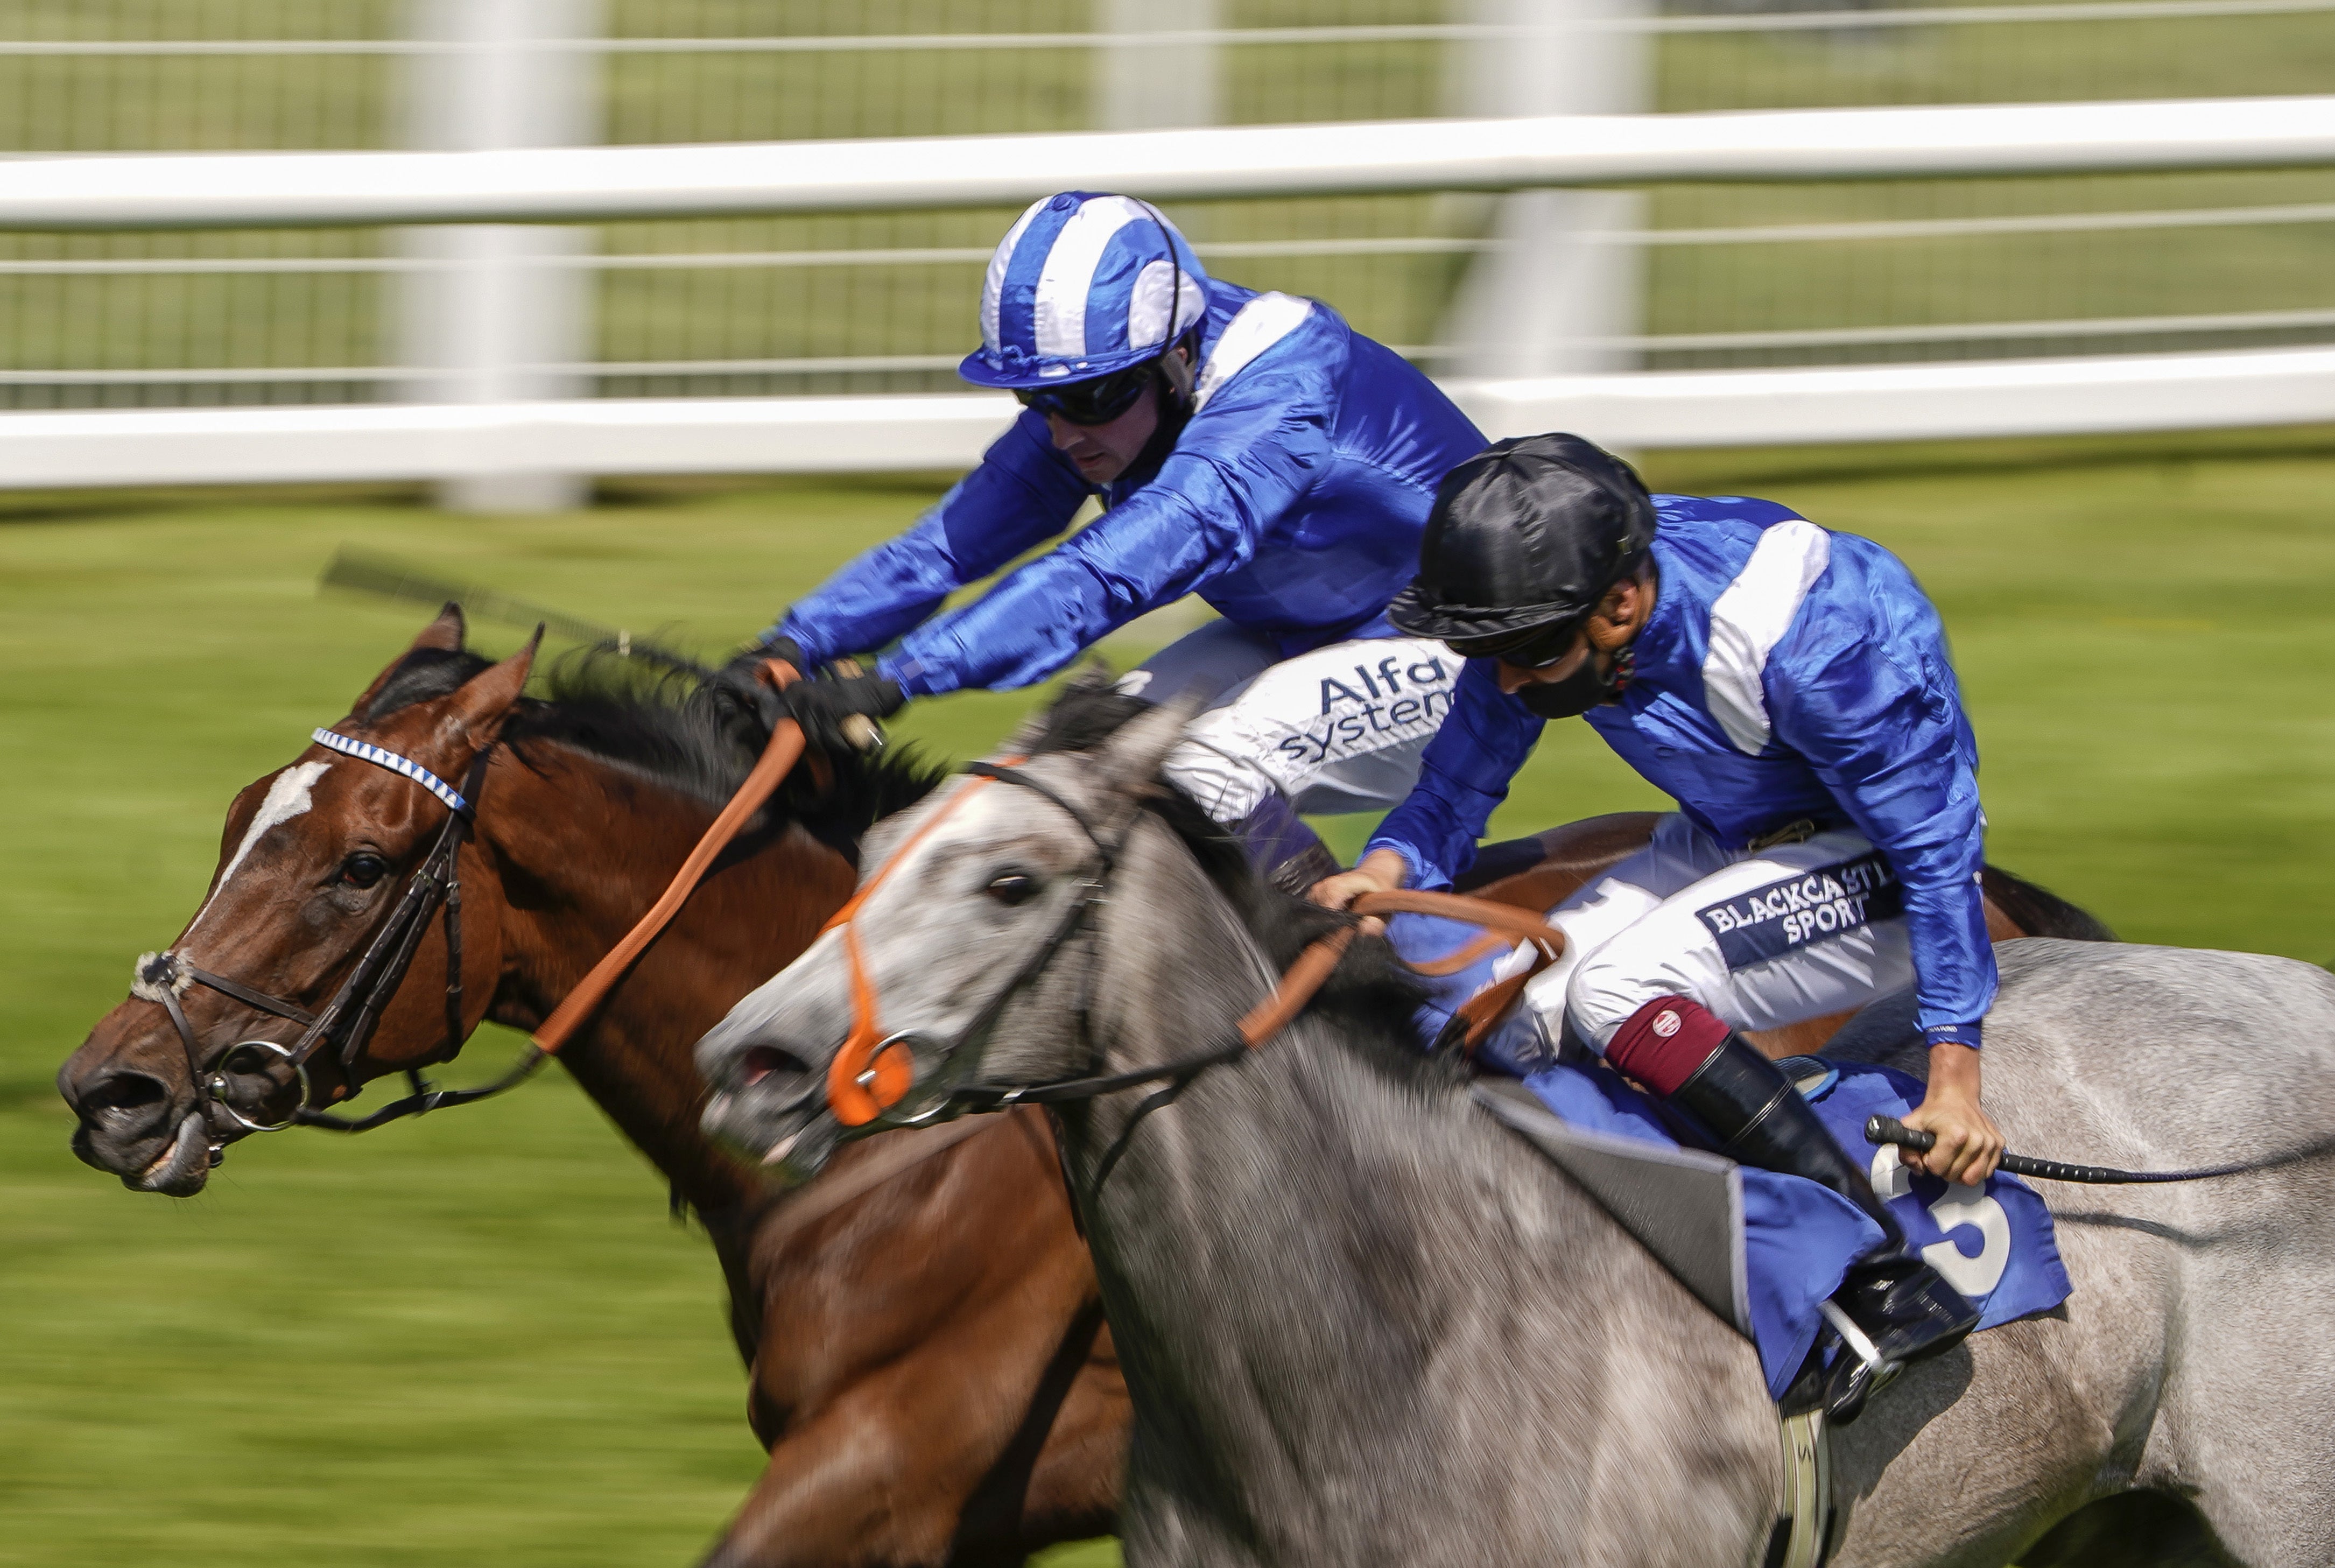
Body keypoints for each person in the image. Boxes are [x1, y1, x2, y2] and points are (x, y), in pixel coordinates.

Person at [1311, 432, 2004, 1419]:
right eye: (1487, 655)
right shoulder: (1551, 605)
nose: (1507, 682)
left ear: (1622, 604)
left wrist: (1954, 1078)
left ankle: (1880, 1276)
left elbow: (1936, 848)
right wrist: (1374, 877)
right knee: (1503, 1010)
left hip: (1886, 863)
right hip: (1733, 835)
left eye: (1530, 656)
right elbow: (1455, 787)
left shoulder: (1808, 643)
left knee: (1614, 990)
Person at [753, 191, 1487, 889]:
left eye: (1090, 398)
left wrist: (900, 676)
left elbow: (1102, 577)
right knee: (1062, 768)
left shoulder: (1277, 402)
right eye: (1036, 401)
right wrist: (790, 646)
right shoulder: (1122, 377)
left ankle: (1358, 995)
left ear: (1174, 363)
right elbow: (944, 547)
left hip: (1464, 649)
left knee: (1204, 775)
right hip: (1302, 632)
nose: (1064, 431)